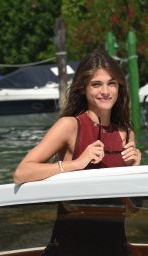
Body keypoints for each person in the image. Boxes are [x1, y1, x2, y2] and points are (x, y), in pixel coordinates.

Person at [13, 50, 141, 256]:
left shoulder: (126, 133)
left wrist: (134, 170)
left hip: (114, 247)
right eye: (96, 84)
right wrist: (75, 164)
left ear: (120, 87)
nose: (106, 91)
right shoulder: (69, 126)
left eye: (111, 83)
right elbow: (22, 172)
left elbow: (131, 209)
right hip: (71, 248)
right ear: (83, 88)